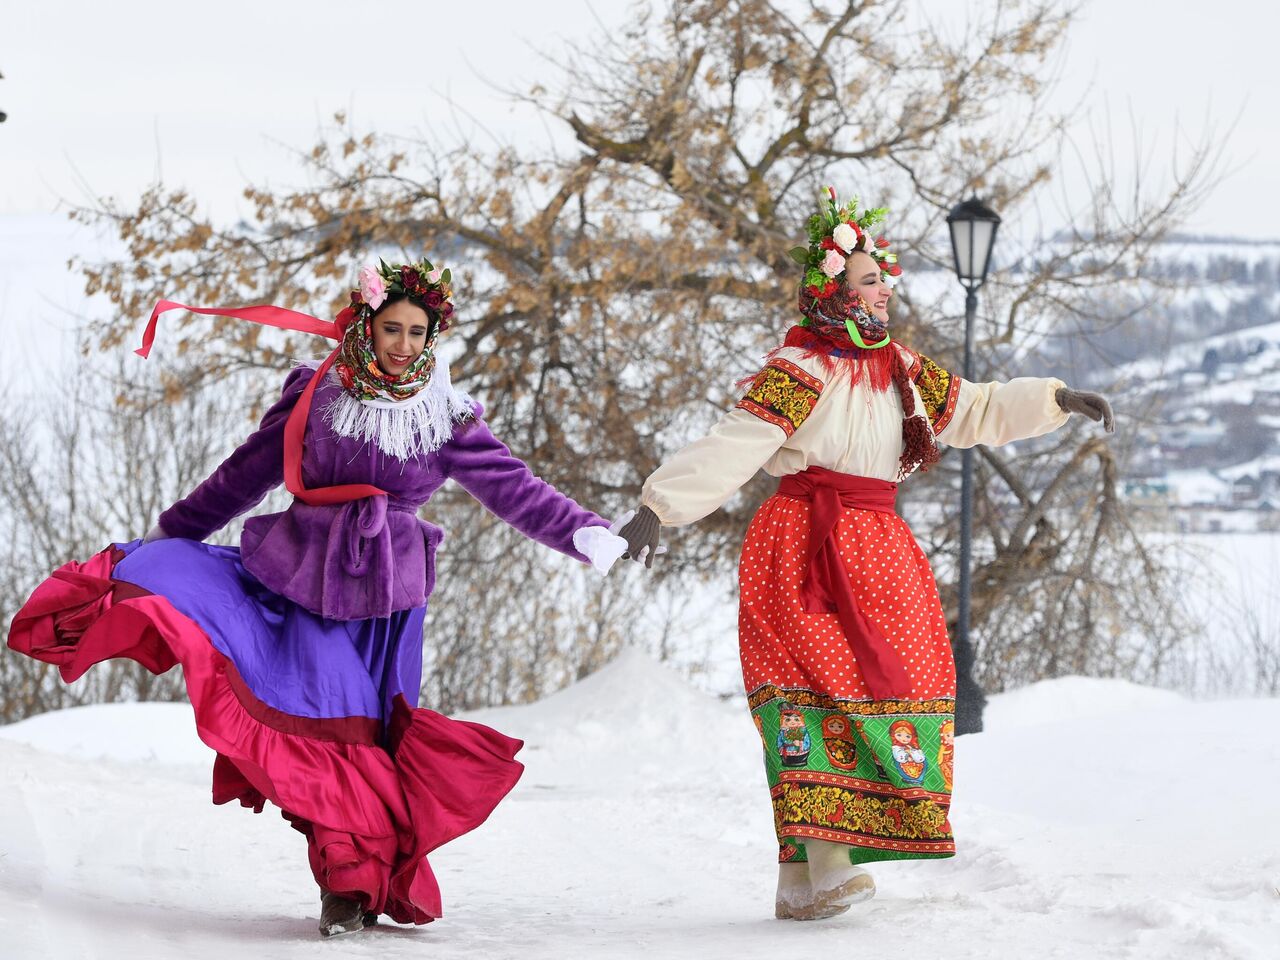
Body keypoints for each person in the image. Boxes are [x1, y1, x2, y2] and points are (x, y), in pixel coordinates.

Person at [7, 256, 628, 938]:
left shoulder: (445, 419)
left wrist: (584, 533)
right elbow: (241, 478)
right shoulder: (317, 395)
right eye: (391, 328)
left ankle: (360, 883)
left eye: (418, 333)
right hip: (299, 585)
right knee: (327, 733)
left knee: (367, 741)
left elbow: (515, 489)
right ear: (364, 324)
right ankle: (346, 890)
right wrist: (169, 534)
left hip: (387, 607)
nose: (403, 346)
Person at [617, 188, 1114, 922]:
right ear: (832, 291)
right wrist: (659, 508)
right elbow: (737, 444)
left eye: (883, 277)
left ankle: (798, 881)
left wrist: (1055, 400)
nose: (884, 289)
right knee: (814, 694)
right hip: (802, 543)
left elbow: (972, 409)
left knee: (908, 682)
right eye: (868, 278)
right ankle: (826, 859)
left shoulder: (899, 366)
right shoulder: (800, 368)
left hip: (880, 546)